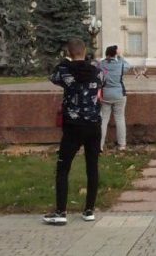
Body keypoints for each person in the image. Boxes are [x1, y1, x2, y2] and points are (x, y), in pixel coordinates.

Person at [43, 38, 103, 225]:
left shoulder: (64, 70)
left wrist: (65, 62)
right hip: (93, 124)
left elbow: (52, 76)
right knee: (92, 167)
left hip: (73, 125)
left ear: (69, 53)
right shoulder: (97, 71)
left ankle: (61, 212)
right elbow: (102, 84)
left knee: (63, 168)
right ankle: (89, 210)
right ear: (85, 51)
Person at [98, 45, 131, 152]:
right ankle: (122, 145)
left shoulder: (101, 65)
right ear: (115, 54)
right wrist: (120, 56)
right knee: (120, 119)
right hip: (119, 94)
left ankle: (100, 145)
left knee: (103, 120)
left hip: (105, 94)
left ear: (106, 54)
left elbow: (96, 68)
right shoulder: (121, 64)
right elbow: (128, 66)